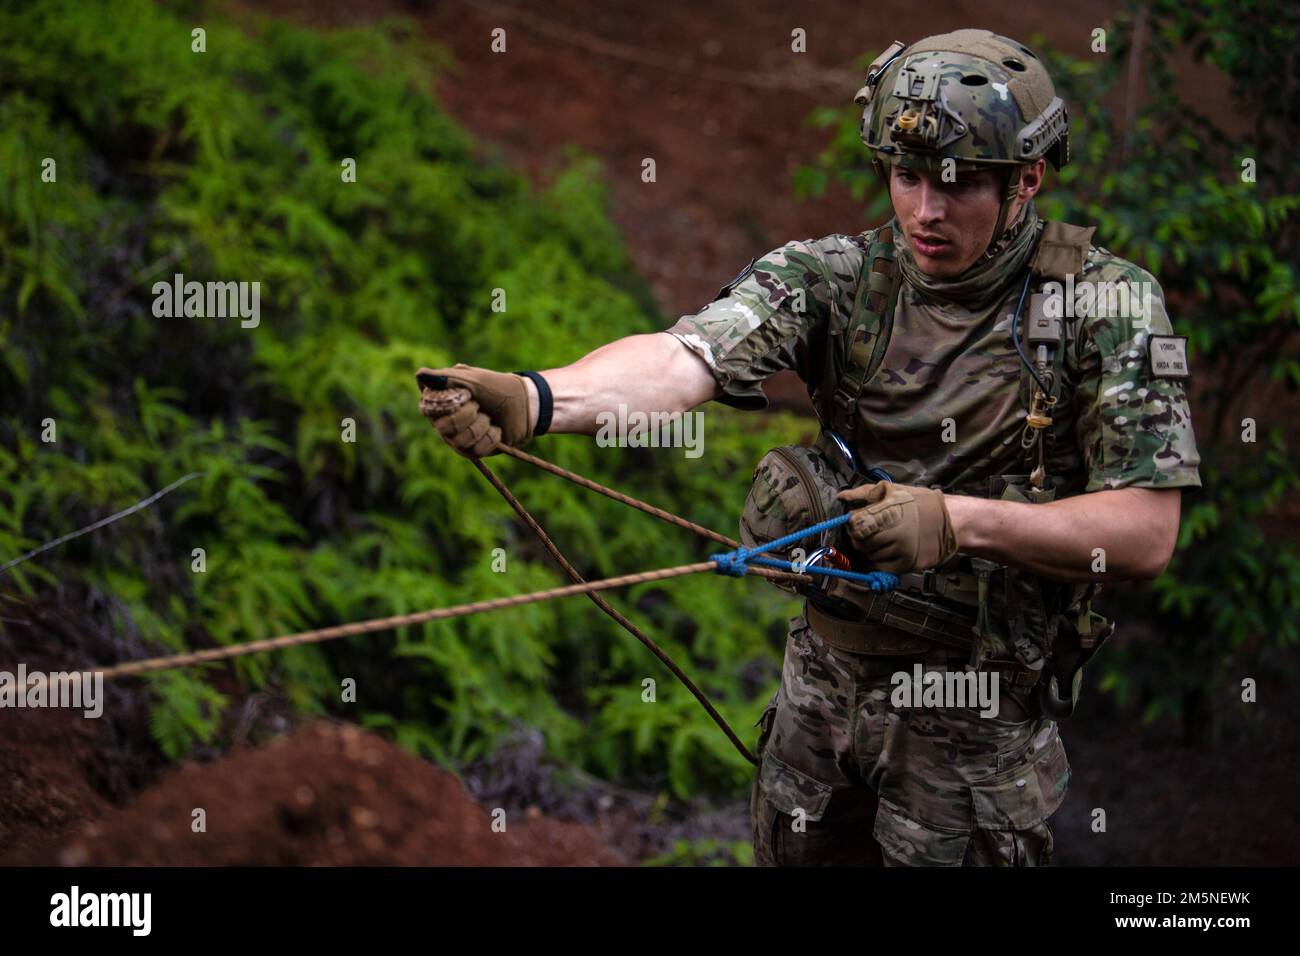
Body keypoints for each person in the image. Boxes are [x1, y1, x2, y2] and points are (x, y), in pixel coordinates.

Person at [418, 29, 1201, 866]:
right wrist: (539, 400)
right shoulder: (836, 278)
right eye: (906, 178)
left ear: (1027, 180)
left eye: (959, 184)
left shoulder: (1102, 308)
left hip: (972, 733)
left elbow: (1145, 531)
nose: (926, 212)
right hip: (818, 713)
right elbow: (689, 357)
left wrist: (955, 521)